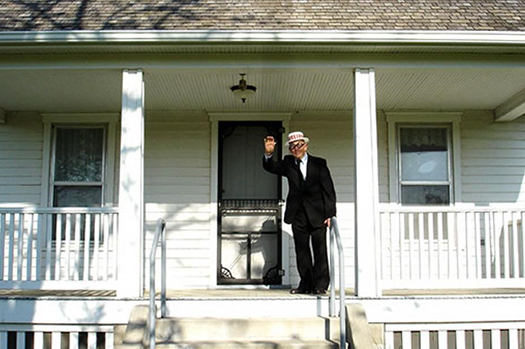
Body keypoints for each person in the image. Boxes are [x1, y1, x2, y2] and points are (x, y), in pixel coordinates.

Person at [263, 131, 336, 294]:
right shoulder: (288, 163)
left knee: (320, 250)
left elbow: (329, 190)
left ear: (306, 145)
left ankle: (321, 285)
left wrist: (330, 214)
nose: (296, 148)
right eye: (292, 146)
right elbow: (271, 167)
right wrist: (268, 154)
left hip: (318, 214)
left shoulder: (319, 164)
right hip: (298, 215)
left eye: (299, 145)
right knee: (301, 252)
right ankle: (306, 284)